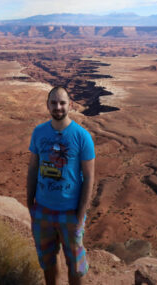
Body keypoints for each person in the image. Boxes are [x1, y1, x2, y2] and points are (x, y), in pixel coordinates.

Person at [27, 86, 95, 285]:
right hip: (42, 211)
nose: (58, 107)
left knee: (75, 266)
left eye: (62, 103)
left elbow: (89, 177)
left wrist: (80, 215)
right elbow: (32, 168)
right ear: (48, 105)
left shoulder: (82, 136)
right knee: (47, 262)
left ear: (70, 105)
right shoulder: (39, 133)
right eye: (54, 103)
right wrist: (30, 203)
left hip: (70, 213)